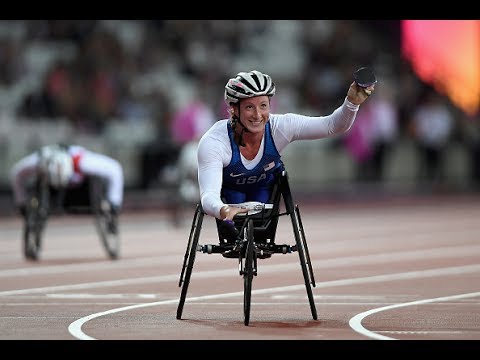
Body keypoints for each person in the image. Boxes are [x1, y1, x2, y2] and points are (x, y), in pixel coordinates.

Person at [197, 69, 375, 244]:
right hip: (230, 194)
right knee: (232, 232)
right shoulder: (214, 142)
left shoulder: (281, 126)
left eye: (263, 106)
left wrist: (352, 103)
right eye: (249, 107)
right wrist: (223, 210)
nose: (258, 115)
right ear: (234, 109)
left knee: (262, 232)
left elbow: (332, 125)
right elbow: (208, 195)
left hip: (265, 190)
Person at [10, 143, 124, 234]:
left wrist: (114, 202)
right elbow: (16, 174)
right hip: (50, 190)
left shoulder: (85, 162)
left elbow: (115, 169)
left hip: (80, 191)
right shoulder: (37, 162)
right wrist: (22, 203)